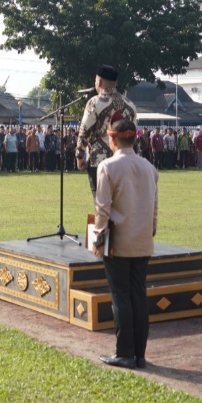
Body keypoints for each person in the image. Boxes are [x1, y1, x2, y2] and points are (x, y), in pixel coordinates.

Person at [91, 118, 158, 370]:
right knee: (138, 295)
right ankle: (139, 353)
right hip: (142, 240)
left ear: (113, 139)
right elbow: (154, 209)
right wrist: (149, 232)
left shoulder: (107, 167)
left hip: (118, 242)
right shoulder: (149, 167)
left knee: (120, 297)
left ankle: (124, 352)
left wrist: (98, 238)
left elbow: (102, 209)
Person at [76, 65, 137, 195]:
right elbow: (134, 136)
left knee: (102, 204)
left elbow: (84, 131)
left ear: (99, 82)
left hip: (98, 161)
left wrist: (79, 155)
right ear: (115, 83)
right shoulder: (130, 105)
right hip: (125, 163)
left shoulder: (94, 103)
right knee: (121, 204)